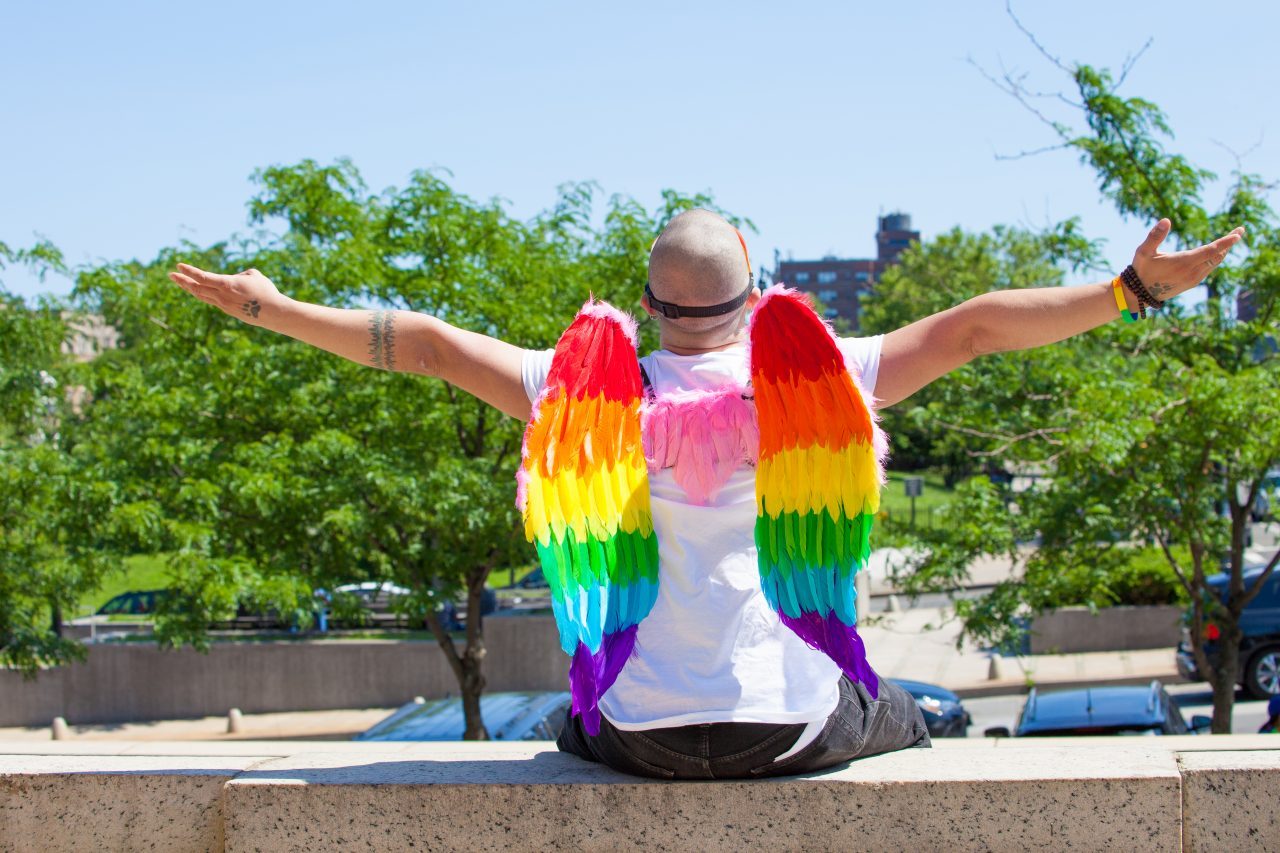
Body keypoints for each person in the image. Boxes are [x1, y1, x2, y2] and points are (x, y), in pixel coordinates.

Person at [170, 210, 1243, 778]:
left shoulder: (578, 394)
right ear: (757, 293)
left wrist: (273, 306)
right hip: (789, 734)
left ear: (646, 303)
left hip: (640, 738)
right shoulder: (826, 380)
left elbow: (425, 345)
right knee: (911, 712)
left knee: (570, 714)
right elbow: (972, 324)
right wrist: (1130, 289)